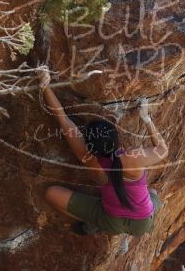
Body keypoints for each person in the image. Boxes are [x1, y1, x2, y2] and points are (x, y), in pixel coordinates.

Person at [38, 67, 168, 236]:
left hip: (110, 221)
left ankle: (93, 223)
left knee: (51, 194)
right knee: (153, 194)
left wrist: (45, 85)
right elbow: (162, 150)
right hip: (142, 224)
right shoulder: (132, 158)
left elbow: (62, 118)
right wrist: (146, 119)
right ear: (116, 139)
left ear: (90, 144)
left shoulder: (88, 158)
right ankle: (105, 222)